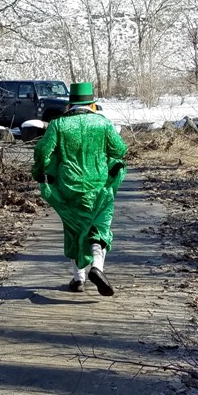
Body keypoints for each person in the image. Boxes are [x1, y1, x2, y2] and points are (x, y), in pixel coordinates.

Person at [31, 82, 128, 296]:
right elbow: (120, 150)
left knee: (74, 228)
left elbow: (42, 150)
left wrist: (39, 172)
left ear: (70, 104)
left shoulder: (58, 125)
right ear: (91, 103)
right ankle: (97, 267)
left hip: (69, 186)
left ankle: (79, 279)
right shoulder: (102, 123)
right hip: (100, 185)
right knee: (99, 227)